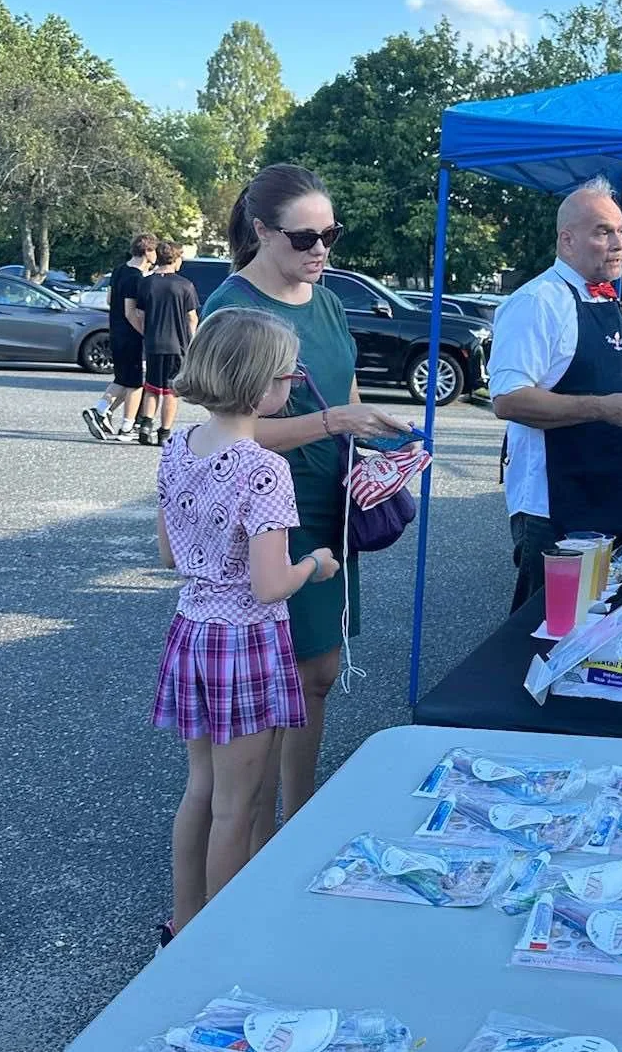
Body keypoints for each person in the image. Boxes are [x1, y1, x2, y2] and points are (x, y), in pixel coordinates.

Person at [204, 162, 414, 825]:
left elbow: (343, 390)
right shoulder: (232, 307)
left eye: (331, 235)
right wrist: (333, 422)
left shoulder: (323, 299)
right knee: (276, 684)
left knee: (317, 674)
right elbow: (229, 432)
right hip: (266, 514)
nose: (321, 249)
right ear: (262, 231)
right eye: (304, 238)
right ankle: (254, 832)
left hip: (330, 503)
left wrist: (377, 441)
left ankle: (299, 814)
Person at [151, 308, 342, 937]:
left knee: (200, 787)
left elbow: (169, 553)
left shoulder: (177, 445)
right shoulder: (265, 468)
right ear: (262, 387)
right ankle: (221, 940)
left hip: (192, 631)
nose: (293, 386)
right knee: (239, 804)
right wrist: (314, 562)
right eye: (290, 376)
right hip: (245, 641)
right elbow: (268, 584)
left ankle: (184, 922)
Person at [490, 177, 622, 612]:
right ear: (567, 240)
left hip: (612, 494)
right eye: (603, 231)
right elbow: (508, 399)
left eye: (621, 230)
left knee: (602, 634)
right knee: (543, 636)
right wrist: (602, 409)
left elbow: (609, 377)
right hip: (556, 508)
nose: (618, 242)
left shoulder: (609, 301)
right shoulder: (537, 302)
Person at [84, 233, 155, 442]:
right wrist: (143, 332)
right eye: (154, 251)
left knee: (122, 379)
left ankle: (102, 411)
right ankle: (123, 423)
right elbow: (130, 311)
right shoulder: (136, 278)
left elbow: (109, 299)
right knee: (135, 382)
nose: (156, 255)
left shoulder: (118, 271)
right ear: (147, 252)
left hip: (115, 330)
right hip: (130, 334)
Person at [129, 241, 199, 445]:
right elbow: (191, 317)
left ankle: (146, 425)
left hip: (153, 343)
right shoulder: (184, 285)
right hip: (177, 345)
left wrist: (147, 332)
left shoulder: (146, 283)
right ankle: (164, 432)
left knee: (151, 387)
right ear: (176, 259)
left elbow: (139, 313)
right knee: (171, 391)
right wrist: (190, 339)